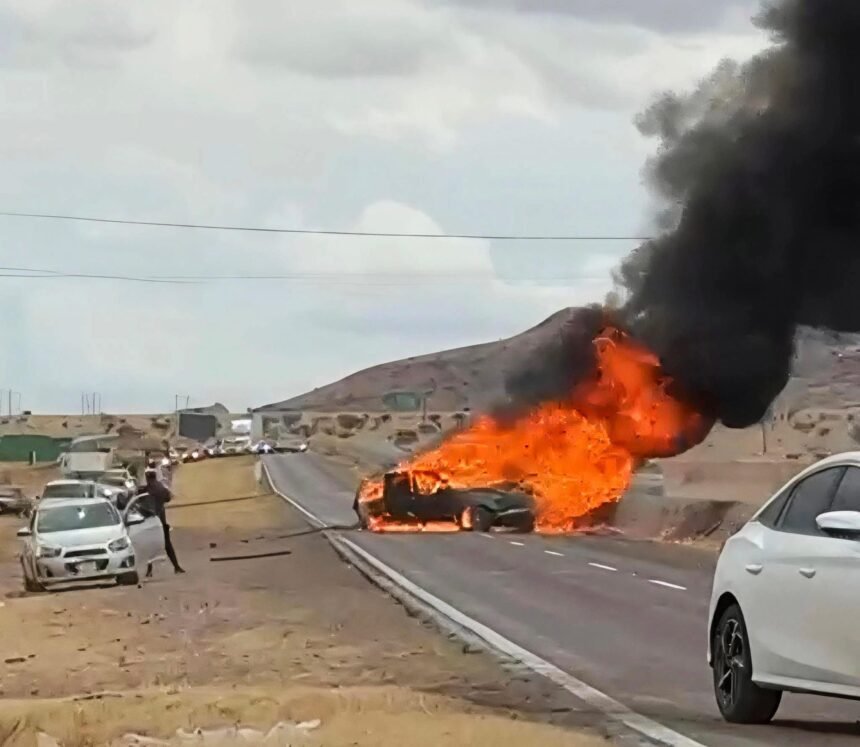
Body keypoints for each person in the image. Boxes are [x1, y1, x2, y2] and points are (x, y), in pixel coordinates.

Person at [140, 467, 184, 577]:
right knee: (167, 544)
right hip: (161, 520)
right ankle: (176, 566)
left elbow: (139, 503)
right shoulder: (160, 488)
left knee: (150, 547)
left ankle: (149, 570)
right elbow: (169, 497)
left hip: (149, 522)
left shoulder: (144, 490)